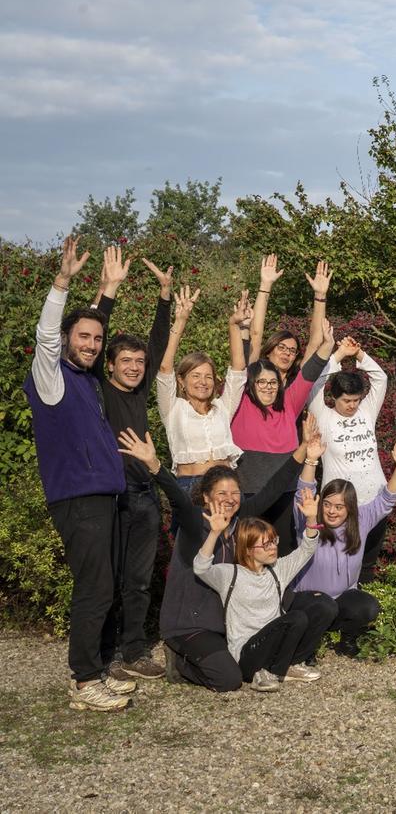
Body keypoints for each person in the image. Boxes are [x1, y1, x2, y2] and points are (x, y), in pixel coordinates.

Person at [120, 421, 338, 692]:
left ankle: (286, 664)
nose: (230, 498)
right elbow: (178, 497)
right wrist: (154, 465)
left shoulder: (239, 520)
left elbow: (272, 489)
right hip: (192, 623)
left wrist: (304, 449)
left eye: (235, 492)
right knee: (229, 679)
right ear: (206, 495)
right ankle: (179, 663)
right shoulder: (193, 521)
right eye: (221, 493)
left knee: (315, 606)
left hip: (227, 619)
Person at [23, 237, 132, 711]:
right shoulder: (50, 377)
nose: (91, 344)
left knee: (104, 585)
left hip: (103, 496)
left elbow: (88, 327)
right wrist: (62, 282)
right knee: (95, 588)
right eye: (82, 338)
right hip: (78, 498)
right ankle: (85, 682)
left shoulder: (86, 376)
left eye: (97, 339)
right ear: (66, 341)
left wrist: (106, 291)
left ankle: (97, 668)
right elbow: (53, 335)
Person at [91, 250, 175, 681]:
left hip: (143, 495)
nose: (134, 367)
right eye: (125, 361)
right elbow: (87, 338)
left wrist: (165, 297)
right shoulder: (97, 391)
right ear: (110, 365)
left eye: (139, 363)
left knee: (138, 581)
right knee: (105, 581)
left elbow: (159, 345)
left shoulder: (140, 393)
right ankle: (103, 655)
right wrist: (110, 292)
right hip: (108, 496)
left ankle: (135, 651)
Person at [292, 433, 396, 654]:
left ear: (350, 509)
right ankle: (307, 646)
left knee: (368, 606)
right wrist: (311, 460)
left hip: (342, 599)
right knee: (321, 607)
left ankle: (346, 640)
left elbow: (387, 499)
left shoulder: (361, 521)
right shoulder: (308, 518)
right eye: (327, 504)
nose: (332, 511)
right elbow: (303, 492)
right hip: (308, 600)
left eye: (339, 507)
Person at [231, 320, 335, 556]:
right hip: (249, 494)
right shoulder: (241, 403)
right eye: (262, 382)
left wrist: (327, 345)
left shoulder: (289, 403)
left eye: (273, 383)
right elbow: (241, 360)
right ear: (251, 384)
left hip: (285, 495)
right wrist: (242, 328)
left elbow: (310, 372)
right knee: (246, 554)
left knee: (282, 553)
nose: (268, 387)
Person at [193, 504, 323, 692]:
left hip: (274, 646)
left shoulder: (278, 569)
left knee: (321, 608)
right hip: (247, 652)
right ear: (248, 550)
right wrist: (214, 533)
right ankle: (264, 673)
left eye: (273, 541)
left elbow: (307, 549)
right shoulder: (231, 575)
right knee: (297, 618)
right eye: (265, 544)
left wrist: (311, 518)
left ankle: (287, 667)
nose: (273, 548)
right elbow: (201, 568)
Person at [307, 337, 390, 581]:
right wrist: (340, 355)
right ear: (334, 398)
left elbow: (381, 378)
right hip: (341, 506)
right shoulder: (324, 416)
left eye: (355, 400)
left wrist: (360, 354)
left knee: (367, 564)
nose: (352, 405)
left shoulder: (367, 410)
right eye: (346, 401)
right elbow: (315, 384)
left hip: (375, 500)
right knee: (339, 561)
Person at [155, 287, 244, 495]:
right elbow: (165, 368)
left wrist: (233, 325)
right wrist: (181, 319)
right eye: (195, 376)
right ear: (182, 381)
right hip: (189, 486)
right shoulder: (173, 408)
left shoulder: (222, 407)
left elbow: (238, 369)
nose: (203, 382)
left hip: (226, 485)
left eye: (208, 376)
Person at [247, 254, 331, 387]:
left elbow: (315, 343)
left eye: (292, 351)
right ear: (269, 351)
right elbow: (255, 335)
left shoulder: (297, 380)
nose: (287, 353)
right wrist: (265, 285)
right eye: (281, 347)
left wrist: (320, 295)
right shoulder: (254, 372)